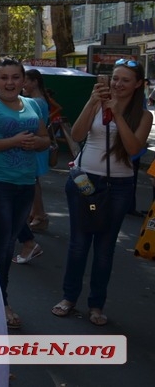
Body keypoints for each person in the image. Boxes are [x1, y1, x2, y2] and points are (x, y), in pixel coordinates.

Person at [51, 58, 152, 326]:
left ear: (138, 85)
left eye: (125, 80)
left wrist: (116, 113)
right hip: (85, 180)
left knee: (105, 248)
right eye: (115, 78)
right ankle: (68, 298)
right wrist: (93, 102)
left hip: (118, 186)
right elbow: (77, 132)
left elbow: (133, 150)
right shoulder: (96, 101)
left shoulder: (144, 115)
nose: (118, 84)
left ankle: (96, 305)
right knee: (78, 244)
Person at [0, 57, 50, 329]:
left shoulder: (32, 105)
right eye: (4, 77)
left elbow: (46, 141)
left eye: (15, 77)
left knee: (8, 244)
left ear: (23, 80)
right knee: (0, 247)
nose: (10, 82)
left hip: (24, 184)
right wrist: (15, 141)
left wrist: (36, 142)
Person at [13, 69, 52, 264]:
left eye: (25, 81)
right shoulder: (41, 100)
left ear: (35, 82)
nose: (24, 85)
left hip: (32, 144)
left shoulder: (35, 102)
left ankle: (39, 214)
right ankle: (35, 214)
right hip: (36, 143)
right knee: (33, 180)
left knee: (32, 181)